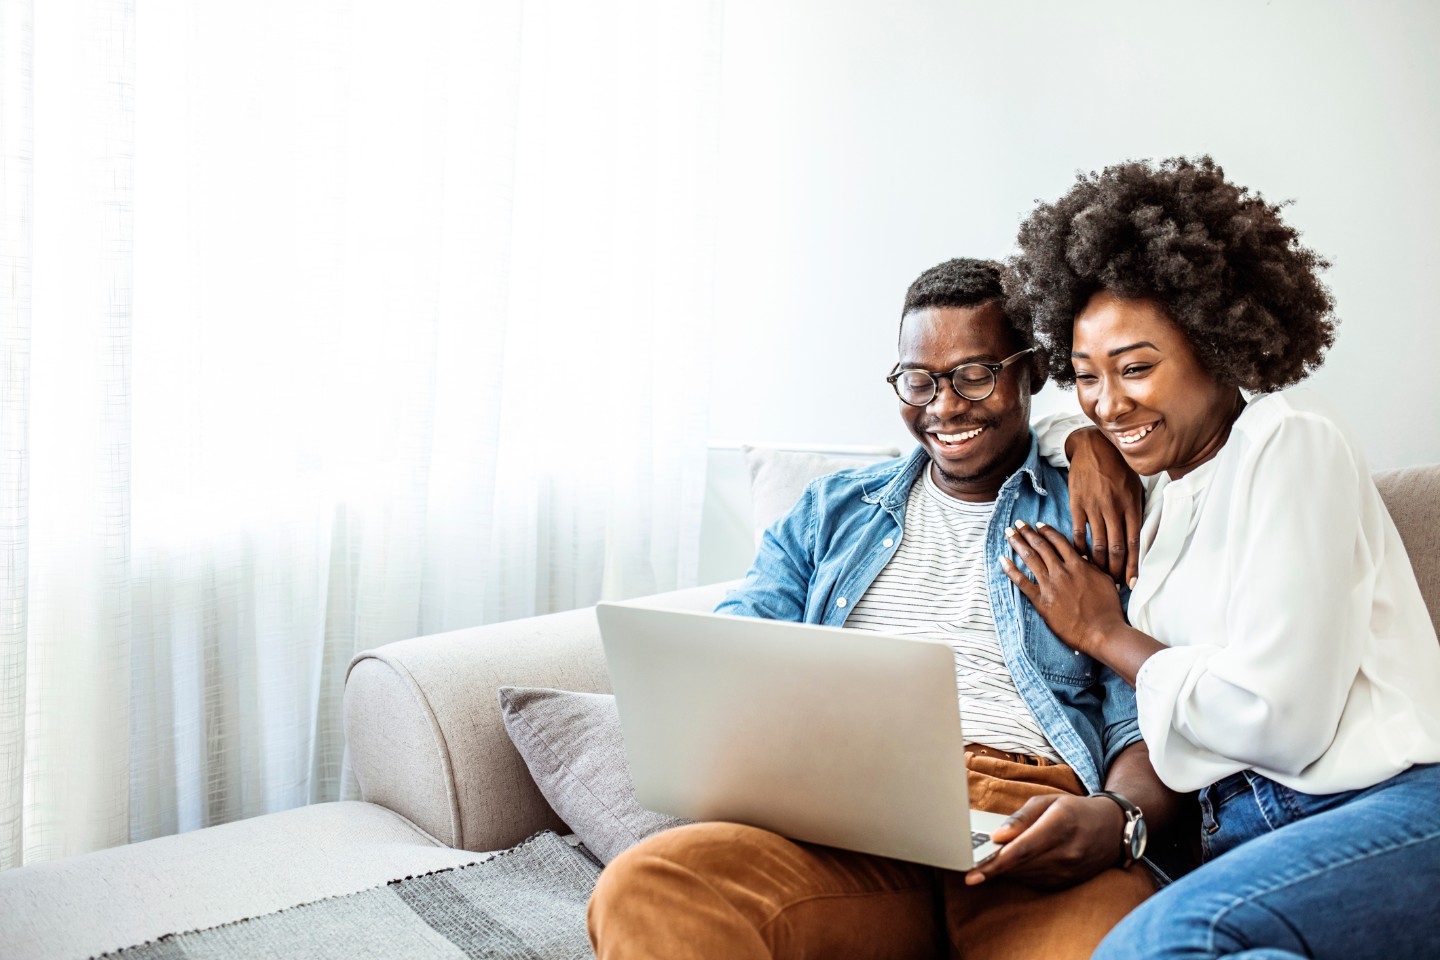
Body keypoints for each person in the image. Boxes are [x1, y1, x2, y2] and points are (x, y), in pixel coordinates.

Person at [587, 258, 1184, 960]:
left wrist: (1115, 819)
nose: (944, 406)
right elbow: (736, 650)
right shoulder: (831, 512)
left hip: (1029, 821)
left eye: (974, 375)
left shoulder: (1097, 510)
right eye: (919, 381)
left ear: (1032, 372)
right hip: (845, 824)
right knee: (648, 887)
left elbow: (1154, 713)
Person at [1002, 156, 1440, 959]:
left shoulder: (1289, 442)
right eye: (1086, 375)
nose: (1111, 400)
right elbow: (1043, 427)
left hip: (1388, 804)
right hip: (1242, 834)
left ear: (1216, 342)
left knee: (1162, 942)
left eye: (1137, 368)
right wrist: (1084, 438)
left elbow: (1280, 720)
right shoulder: (1165, 496)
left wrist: (1104, 634)